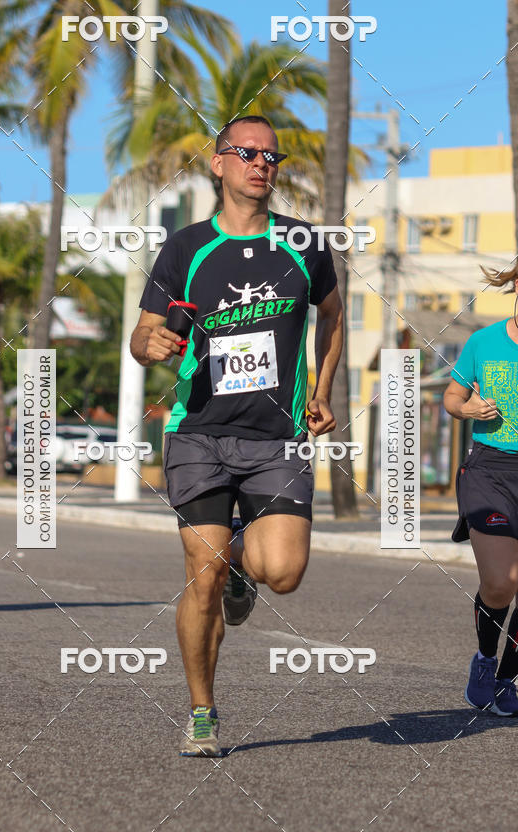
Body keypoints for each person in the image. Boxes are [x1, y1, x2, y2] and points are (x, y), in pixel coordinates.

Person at [130, 115, 343, 755]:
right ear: (218, 163)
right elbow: (141, 337)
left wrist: (323, 390)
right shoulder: (186, 246)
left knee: (283, 573)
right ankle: (202, 711)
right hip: (198, 431)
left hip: (276, 437)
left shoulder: (304, 244)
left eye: (271, 156)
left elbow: (332, 316)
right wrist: (154, 343)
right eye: (246, 153)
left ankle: (244, 575)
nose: (261, 164)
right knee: (203, 575)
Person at [445, 265, 518, 715]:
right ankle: (485, 660)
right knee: (500, 584)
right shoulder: (484, 341)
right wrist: (468, 406)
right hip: (490, 468)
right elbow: (452, 397)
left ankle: (507, 679)